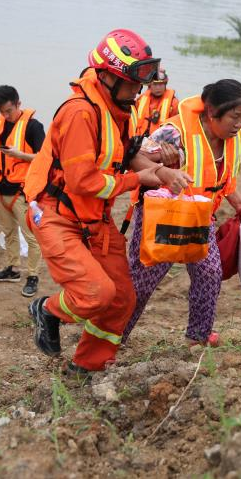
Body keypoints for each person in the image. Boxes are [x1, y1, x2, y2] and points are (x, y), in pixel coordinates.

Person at [23, 28, 191, 375]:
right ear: (106, 76)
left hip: (94, 219)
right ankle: (47, 310)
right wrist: (137, 180)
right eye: (133, 82)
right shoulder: (80, 113)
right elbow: (82, 181)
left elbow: (129, 154)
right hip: (58, 216)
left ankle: (88, 365)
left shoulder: (120, 107)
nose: (139, 89)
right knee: (95, 294)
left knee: (122, 299)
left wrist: (162, 173)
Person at [122, 80, 241, 347]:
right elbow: (134, 157)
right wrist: (165, 169)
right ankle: (113, 338)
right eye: (234, 117)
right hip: (164, 215)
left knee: (209, 273)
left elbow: (222, 178)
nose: (239, 124)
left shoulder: (232, 138)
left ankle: (198, 336)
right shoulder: (175, 132)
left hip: (200, 215)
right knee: (142, 283)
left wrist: (239, 202)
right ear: (212, 112)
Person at [0, 85, 45, 298]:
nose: (6, 115)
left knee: (31, 236)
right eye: (2, 111)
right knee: (8, 231)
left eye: (9, 111)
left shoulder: (34, 127)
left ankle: (33, 276)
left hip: (22, 192)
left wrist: (20, 155)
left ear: (18, 103)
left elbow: (45, 158)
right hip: (0, 188)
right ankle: (12, 269)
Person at [130, 68, 179, 137]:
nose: (158, 88)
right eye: (155, 84)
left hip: (161, 139)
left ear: (165, 85)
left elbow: (175, 127)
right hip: (139, 136)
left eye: (161, 84)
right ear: (149, 85)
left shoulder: (173, 103)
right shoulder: (140, 100)